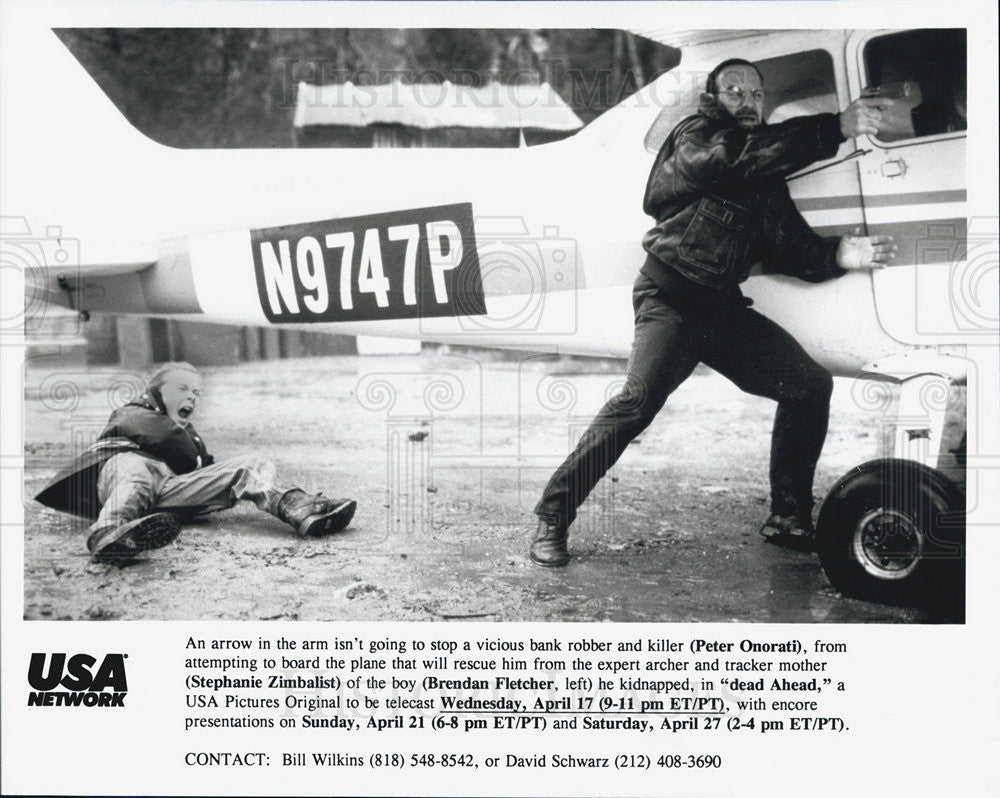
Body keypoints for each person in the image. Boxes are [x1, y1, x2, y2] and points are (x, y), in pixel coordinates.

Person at [530, 58, 896, 567]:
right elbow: (729, 161)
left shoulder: (764, 172)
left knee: (809, 387)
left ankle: (789, 516)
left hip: (722, 310)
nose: (748, 101)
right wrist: (835, 126)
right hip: (671, 301)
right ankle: (552, 517)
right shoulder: (696, 139)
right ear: (712, 98)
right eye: (735, 91)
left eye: (755, 94)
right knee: (635, 405)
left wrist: (839, 254)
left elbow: (790, 247)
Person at [35, 361, 357, 563]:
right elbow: (167, 441)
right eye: (182, 389)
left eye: (196, 393)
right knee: (140, 472)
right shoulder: (133, 413)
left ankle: (296, 507)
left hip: (167, 493)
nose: (192, 397)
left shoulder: (185, 433)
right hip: (124, 473)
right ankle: (109, 532)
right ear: (154, 394)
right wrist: (198, 458)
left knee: (249, 465)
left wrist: (208, 472)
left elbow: (196, 461)